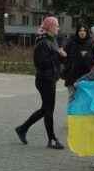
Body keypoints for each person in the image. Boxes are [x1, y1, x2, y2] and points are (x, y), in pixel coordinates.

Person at [15, 16, 67, 150]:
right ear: (49, 27)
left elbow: (55, 60)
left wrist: (61, 56)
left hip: (50, 79)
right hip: (44, 80)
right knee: (48, 110)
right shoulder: (42, 42)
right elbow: (40, 63)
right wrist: (57, 55)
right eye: (56, 25)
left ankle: (22, 128)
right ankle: (52, 139)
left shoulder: (52, 40)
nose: (58, 28)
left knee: (46, 109)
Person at [63, 25, 94, 97]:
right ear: (77, 32)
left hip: (86, 76)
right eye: (80, 31)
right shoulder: (71, 42)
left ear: (87, 32)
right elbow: (65, 57)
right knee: (72, 98)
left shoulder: (91, 43)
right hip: (72, 76)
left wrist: (86, 56)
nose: (82, 32)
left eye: (84, 31)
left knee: (84, 99)